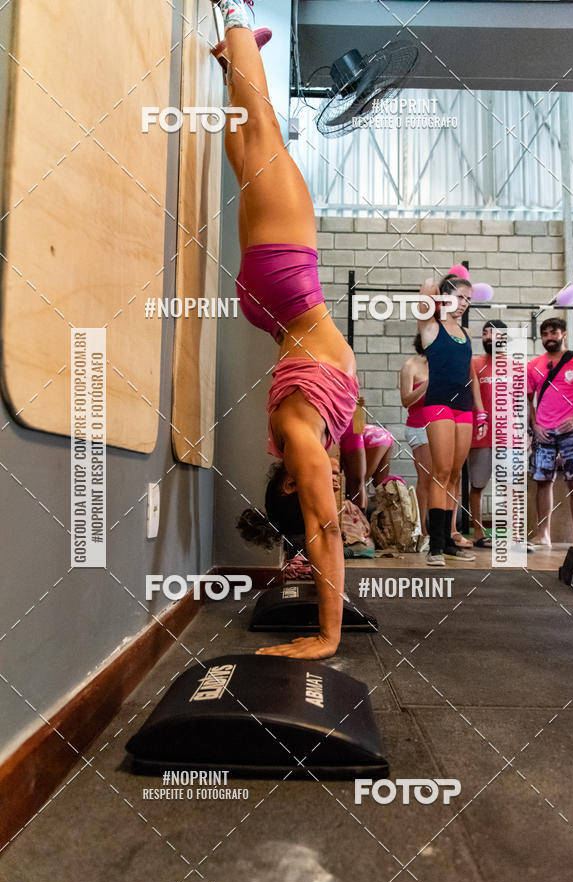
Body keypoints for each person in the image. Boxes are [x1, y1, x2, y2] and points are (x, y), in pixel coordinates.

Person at [214, 0, 359, 659]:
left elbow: (325, 530)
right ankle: (230, 63)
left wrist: (326, 636)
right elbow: (332, 491)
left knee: (264, 129)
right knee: (249, 158)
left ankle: (234, 13)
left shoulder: (300, 438)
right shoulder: (308, 431)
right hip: (269, 303)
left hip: (285, 281)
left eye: (315, 478)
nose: (326, 478)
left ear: (293, 481)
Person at [418, 275, 488, 566]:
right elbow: (425, 291)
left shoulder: (467, 333)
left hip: (464, 406)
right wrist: (438, 283)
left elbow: (471, 374)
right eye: (460, 297)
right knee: (441, 472)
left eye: (469, 299)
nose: (464, 304)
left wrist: (479, 409)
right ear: (445, 296)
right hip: (438, 403)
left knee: (456, 475)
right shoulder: (430, 326)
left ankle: (448, 540)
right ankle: (435, 546)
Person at [528, 317, 573, 552]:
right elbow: (528, 401)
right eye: (546, 334)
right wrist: (535, 425)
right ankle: (543, 535)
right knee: (542, 482)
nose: (550, 337)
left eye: (554, 332)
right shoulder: (534, 365)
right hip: (544, 431)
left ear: (564, 334)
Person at [468, 319, 508, 548]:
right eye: (485, 334)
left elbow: (525, 401)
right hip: (480, 435)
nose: (488, 338)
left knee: (510, 486)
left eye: (493, 334)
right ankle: (477, 532)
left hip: (508, 436)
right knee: (478, 485)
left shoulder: (517, 366)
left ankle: (515, 535)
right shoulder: (474, 363)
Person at [400, 332, 430, 549]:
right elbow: (405, 400)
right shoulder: (410, 365)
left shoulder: (443, 362)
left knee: (445, 479)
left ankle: (446, 529)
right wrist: (427, 383)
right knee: (427, 478)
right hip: (419, 426)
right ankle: (423, 530)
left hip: (443, 424)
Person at [339, 420, 394, 513]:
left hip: (373, 438)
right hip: (386, 437)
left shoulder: (344, 432)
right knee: (381, 483)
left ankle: (359, 521)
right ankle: (388, 520)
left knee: (357, 487)